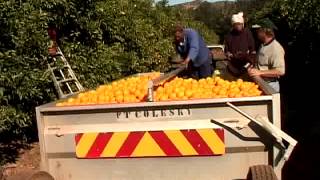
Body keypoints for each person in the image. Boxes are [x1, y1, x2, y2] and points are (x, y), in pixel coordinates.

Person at [248, 19, 285, 92]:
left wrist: (260, 72)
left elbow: (280, 71)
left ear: (264, 31)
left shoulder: (276, 48)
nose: (256, 32)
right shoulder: (263, 45)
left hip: (270, 86)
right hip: (261, 83)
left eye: (258, 30)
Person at [224, 12, 256, 77]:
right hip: (233, 66)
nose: (239, 26)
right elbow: (226, 50)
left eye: (240, 24)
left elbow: (252, 49)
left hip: (246, 65)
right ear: (233, 25)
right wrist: (228, 54)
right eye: (237, 24)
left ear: (243, 24)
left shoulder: (247, 33)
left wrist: (251, 60)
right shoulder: (229, 35)